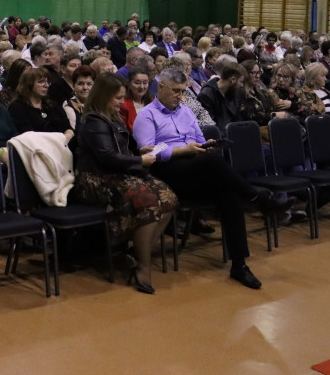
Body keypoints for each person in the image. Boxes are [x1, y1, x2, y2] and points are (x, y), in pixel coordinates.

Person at [132, 69, 287, 290]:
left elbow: (198, 138)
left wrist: (207, 145)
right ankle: (257, 198)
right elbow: (148, 152)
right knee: (213, 164)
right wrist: (182, 150)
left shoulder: (186, 112)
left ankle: (239, 265)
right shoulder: (147, 115)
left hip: (195, 167)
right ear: (162, 87)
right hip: (167, 172)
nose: (180, 96)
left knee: (229, 194)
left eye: (183, 91)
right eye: (175, 91)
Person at [70, 73, 176, 294]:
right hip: (95, 179)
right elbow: (107, 158)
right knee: (147, 201)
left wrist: (139, 151)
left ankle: (136, 253)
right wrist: (140, 161)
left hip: (118, 172)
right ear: (103, 96)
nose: (122, 102)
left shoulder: (113, 116)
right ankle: (143, 266)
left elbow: (120, 150)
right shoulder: (93, 121)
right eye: (117, 98)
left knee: (168, 198)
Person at [8, 67, 74, 142]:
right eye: (41, 82)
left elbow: (67, 127)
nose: (46, 85)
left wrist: (69, 134)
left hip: (60, 144)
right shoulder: (17, 107)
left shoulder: (52, 104)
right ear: (29, 84)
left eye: (47, 82)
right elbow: (27, 135)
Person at [119, 63, 153, 130]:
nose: (142, 87)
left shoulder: (153, 102)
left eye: (145, 83)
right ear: (129, 83)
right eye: (137, 83)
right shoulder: (123, 104)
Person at [62, 65, 96, 131]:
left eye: (89, 84)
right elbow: (75, 131)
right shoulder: (69, 105)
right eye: (80, 84)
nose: (85, 88)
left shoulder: (100, 104)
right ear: (73, 86)